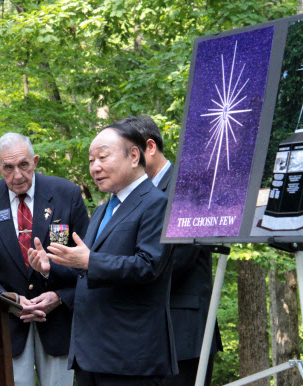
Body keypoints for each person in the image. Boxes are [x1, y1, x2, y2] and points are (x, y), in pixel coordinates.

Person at [29, 122, 177, 385]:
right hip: (89, 354)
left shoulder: (158, 203)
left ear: (133, 156)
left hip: (130, 356)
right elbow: (85, 270)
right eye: (90, 160)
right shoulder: (101, 211)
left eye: (103, 157)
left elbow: (149, 266)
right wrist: (51, 267)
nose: (94, 167)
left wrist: (89, 260)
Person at [0, 132, 90, 386]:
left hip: (58, 322)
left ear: (36, 161)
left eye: (24, 165)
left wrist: (61, 297)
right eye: (8, 168)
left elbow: (88, 261)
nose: (17, 175)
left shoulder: (67, 194)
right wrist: (9, 299)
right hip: (7, 323)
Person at [126, 115, 222, 386]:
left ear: (150, 147)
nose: (126, 160)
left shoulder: (188, 187)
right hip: (146, 332)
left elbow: (178, 260)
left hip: (184, 330)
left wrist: (120, 273)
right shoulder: (137, 195)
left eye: (131, 152)